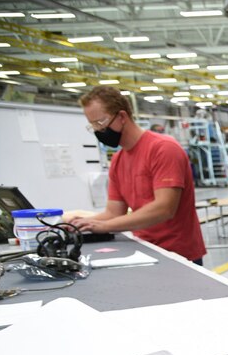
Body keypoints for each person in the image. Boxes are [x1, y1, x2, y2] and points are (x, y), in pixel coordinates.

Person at [70, 86, 206, 264]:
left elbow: (164, 209)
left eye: (100, 123)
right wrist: (80, 224)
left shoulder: (163, 149)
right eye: (92, 125)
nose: (97, 130)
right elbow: (113, 212)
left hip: (179, 255)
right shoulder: (118, 161)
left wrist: (104, 226)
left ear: (122, 117)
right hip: (144, 249)